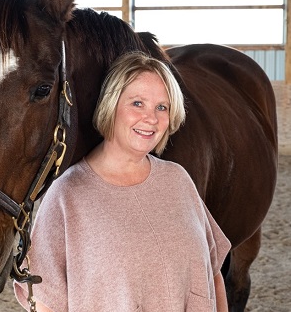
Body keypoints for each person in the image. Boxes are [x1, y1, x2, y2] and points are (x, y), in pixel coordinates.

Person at [14, 52, 231, 312]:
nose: (151, 118)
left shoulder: (178, 180)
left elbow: (213, 274)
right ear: (111, 104)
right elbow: (45, 303)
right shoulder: (66, 195)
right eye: (138, 103)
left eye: (162, 107)